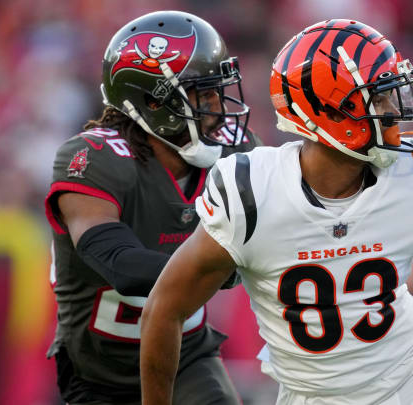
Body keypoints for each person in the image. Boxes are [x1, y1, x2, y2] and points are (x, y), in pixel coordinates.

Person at [140, 19, 413, 405]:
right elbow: (163, 311)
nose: (395, 111)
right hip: (314, 395)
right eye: (378, 98)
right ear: (331, 112)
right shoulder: (251, 192)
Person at [43, 11, 261, 405]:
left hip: (188, 357)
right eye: (203, 93)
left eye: (218, 90)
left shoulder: (236, 151)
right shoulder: (95, 159)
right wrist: (213, 269)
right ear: (152, 102)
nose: (219, 107)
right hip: (99, 371)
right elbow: (120, 264)